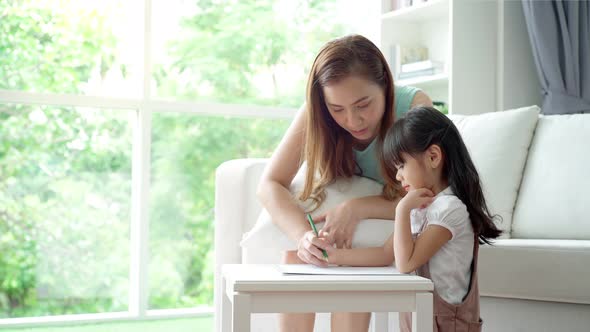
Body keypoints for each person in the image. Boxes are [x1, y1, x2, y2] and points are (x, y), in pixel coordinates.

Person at [257, 34, 432, 332]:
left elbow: (434, 194)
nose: (353, 120)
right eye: (337, 109)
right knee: (298, 256)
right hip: (340, 228)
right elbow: (270, 184)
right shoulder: (318, 110)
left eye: (363, 104)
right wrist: (303, 237)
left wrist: (358, 208)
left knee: (350, 250)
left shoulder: (415, 109)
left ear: (386, 88)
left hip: (399, 220)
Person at [321, 106, 502, 331]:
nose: (398, 176)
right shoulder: (424, 207)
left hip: (445, 324)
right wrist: (330, 256)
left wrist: (401, 210)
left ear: (433, 157)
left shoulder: (450, 209)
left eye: (401, 164)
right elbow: (386, 254)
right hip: (420, 319)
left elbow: (406, 263)